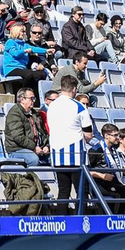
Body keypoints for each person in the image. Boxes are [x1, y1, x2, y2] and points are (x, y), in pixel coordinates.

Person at [46, 76, 91, 209]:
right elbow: (88, 134)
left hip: (58, 154)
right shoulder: (79, 106)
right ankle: (82, 221)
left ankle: (62, 223)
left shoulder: (52, 106)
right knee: (81, 191)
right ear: (74, 89)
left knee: (63, 190)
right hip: (76, 155)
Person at [3, 87, 50, 167]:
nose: (34, 101)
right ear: (22, 99)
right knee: (33, 160)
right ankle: (31, 179)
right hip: (17, 149)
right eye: (31, 98)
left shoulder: (35, 114)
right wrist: (34, 148)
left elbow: (43, 133)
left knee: (55, 157)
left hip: (36, 148)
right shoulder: (14, 113)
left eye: (34, 98)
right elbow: (18, 137)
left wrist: (46, 146)